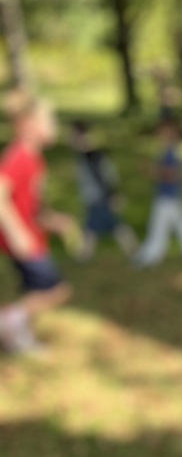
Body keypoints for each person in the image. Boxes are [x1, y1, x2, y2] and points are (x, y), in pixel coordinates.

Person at [0, 90, 75, 354]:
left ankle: (19, 337)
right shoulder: (19, 156)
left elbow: (31, 207)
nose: (53, 127)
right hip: (23, 241)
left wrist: (53, 221)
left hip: (32, 237)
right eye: (49, 121)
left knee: (36, 292)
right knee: (56, 291)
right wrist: (17, 232)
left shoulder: (35, 159)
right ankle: (8, 321)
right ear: (27, 125)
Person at [133, 116, 182, 267]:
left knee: (159, 228)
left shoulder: (171, 153)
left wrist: (152, 170)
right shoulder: (169, 151)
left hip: (168, 198)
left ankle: (150, 256)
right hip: (171, 197)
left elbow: (173, 174)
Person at [70, 119, 137, 261]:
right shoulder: (84, 154)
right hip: (95, 197)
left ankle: (85, 254)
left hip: (98, 197)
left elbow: (103, 176)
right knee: (107, 225)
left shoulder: (90, 155)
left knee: (102, 225)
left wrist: (112, 194)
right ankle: (132, 249)